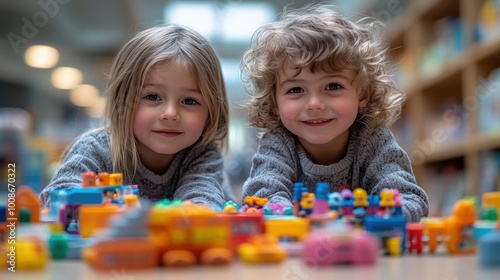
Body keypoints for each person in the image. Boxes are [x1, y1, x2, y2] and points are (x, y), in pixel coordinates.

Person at [240, 4, 428, 222]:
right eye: (295, 90)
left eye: (333, 86)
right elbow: (261, 197)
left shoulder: (374, 140)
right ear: (274, 102)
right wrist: (303, 220)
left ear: (363, 93)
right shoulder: (278, 143)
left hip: (362, 250)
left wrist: (376, 218)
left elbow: (408, 198)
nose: (315, 104)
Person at [40, 25, 236, 209]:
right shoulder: (97, 149)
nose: (170, 114)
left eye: (190, 101)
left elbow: (200, 201)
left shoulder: (202, 154)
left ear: (212, 111)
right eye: (152, 97)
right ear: (121, 100)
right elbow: (57, 199)